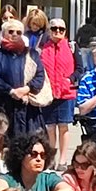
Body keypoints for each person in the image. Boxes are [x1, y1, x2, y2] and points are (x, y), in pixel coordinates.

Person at [0, 17, 49, 126]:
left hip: (27, 110)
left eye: (18, 32)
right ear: (3, 34)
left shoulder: (32, 54)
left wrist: (26, 89)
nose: (14, 34)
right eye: (11, 31)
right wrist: (11, 91)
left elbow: (40, 75)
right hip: (0, 107)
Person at [35, 16, 78, 170]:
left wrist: (70, 79)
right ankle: (51, 158)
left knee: (64, 127)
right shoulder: (42, 48)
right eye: (54, 29)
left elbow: (79, 69)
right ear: (49, 31)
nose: (58, 32)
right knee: (50, 127)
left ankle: (63, 160)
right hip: (48, 93)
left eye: (61, 29)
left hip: (66, 93)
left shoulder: (72, 47)